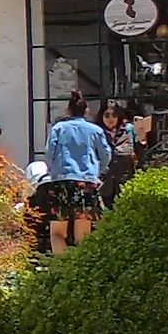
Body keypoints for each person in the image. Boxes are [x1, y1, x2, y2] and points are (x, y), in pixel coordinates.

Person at [34, 88, 111, 254]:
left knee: (57, 232)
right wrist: (98, 172)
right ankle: (80, 271)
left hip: (61, 182)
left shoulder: (59, 128)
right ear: (86, 111)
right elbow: (106, 154)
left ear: (68, 110)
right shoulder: (95, 130)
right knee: (83, 235)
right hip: (86, 182)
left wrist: (53, 170)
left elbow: (49, 153)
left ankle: (61, 269)